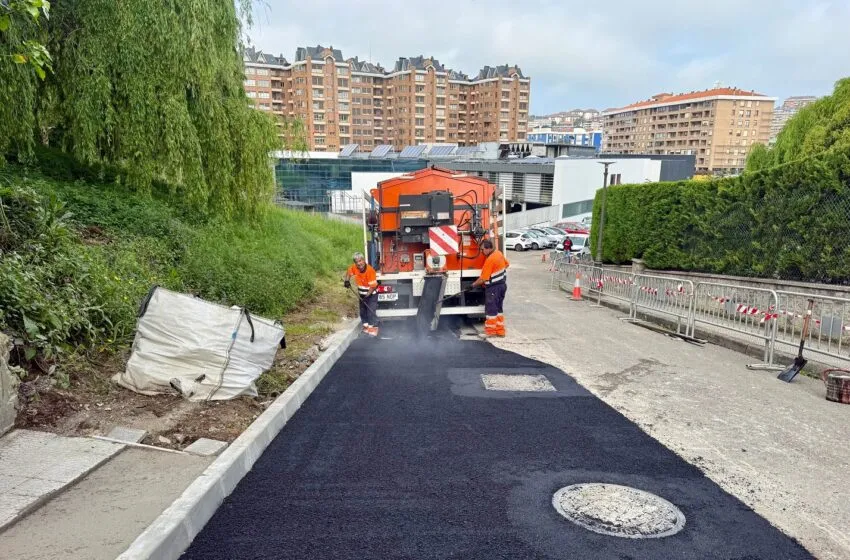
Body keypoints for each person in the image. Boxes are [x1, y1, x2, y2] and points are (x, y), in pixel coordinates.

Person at [472, 239, 509, 337]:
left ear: (488, 249)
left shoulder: (490, 259)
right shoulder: (499, 253)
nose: (482, 252)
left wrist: (472, 285)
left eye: (483, 249)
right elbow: (507, 264)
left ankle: (490, 332)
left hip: (493, 288)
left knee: (491, 310)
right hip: (502, 286)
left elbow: (483, 279)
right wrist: (497, 273)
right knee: (498, 309)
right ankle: (500, 331)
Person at [344, 252, 379, 336]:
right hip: (361, 294)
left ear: (364, 260)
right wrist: (347, 281)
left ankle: (373, 329)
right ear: (355, 263)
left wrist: (366, 296)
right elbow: (348, 272)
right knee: (363, 311)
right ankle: (366, 327)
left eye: (360, 261)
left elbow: (373, 287)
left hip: (371, 295)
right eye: (357, 262)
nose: (359, 263)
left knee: (370, 311)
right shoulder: (354, 268)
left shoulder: (370, 271)